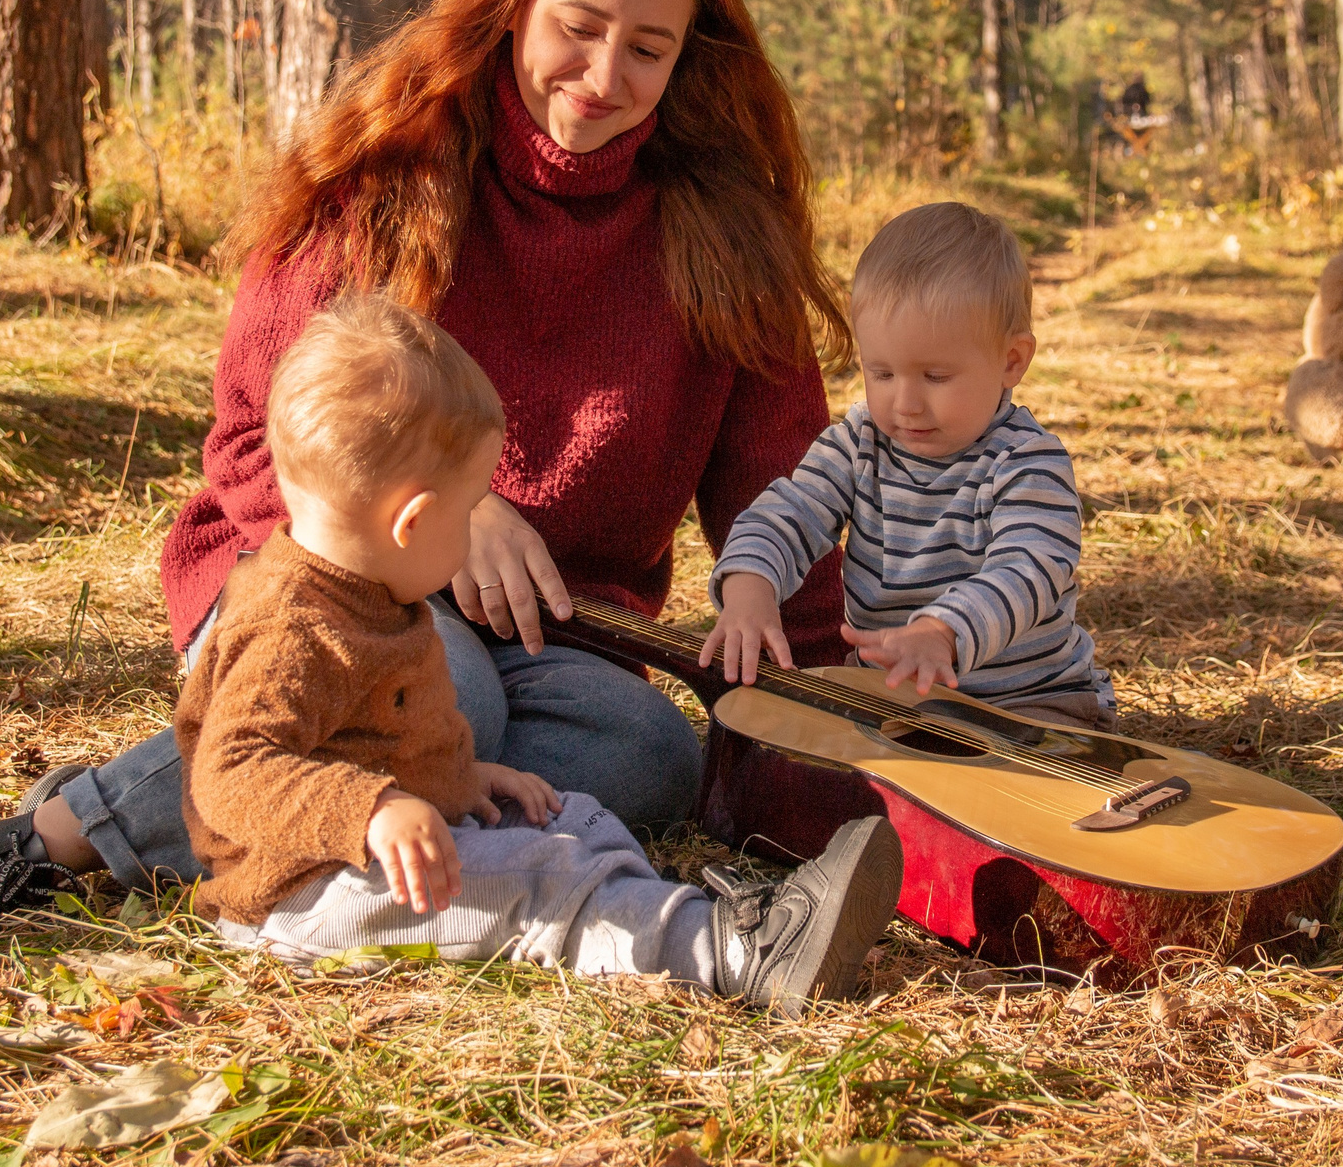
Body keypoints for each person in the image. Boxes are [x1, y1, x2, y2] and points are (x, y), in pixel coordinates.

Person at [0, 0, 853, 944]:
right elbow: (255, 442)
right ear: (512, 7)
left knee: (646, 753)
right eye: (577, 27)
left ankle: (294, 813)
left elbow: (788, 504)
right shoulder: (387, 174)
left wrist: (830, 740)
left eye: (647, 48)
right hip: (321, 580)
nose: (601, 74)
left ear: (686, 63)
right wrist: (456, 514)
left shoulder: (723, 243)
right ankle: (53, 844)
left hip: (555, 642)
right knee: (425, 686)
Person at [184, 293, 903, 1015]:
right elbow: (230, 771)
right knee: (541, 875)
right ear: (414, 521)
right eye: (470, 510)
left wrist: (461, 777)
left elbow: (376, 734)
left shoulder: (375, 593)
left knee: (571, 815)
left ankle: (658, 902)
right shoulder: (290, 625)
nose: (476, 531)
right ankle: (734, 951)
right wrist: (373, 809)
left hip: (371, 857)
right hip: (306, 892)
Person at [696, 201, 1113, 730]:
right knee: (787, 765)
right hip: (887, 696)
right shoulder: (857, 444)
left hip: (1025, 703)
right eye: (883, 373)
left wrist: (943, 630)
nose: (906, 403)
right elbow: (786, 513)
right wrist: (750, 588)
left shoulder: (1027, 462)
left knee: (1010, 792)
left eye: (935, 377)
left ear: (1011, 361)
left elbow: (1028, 569)